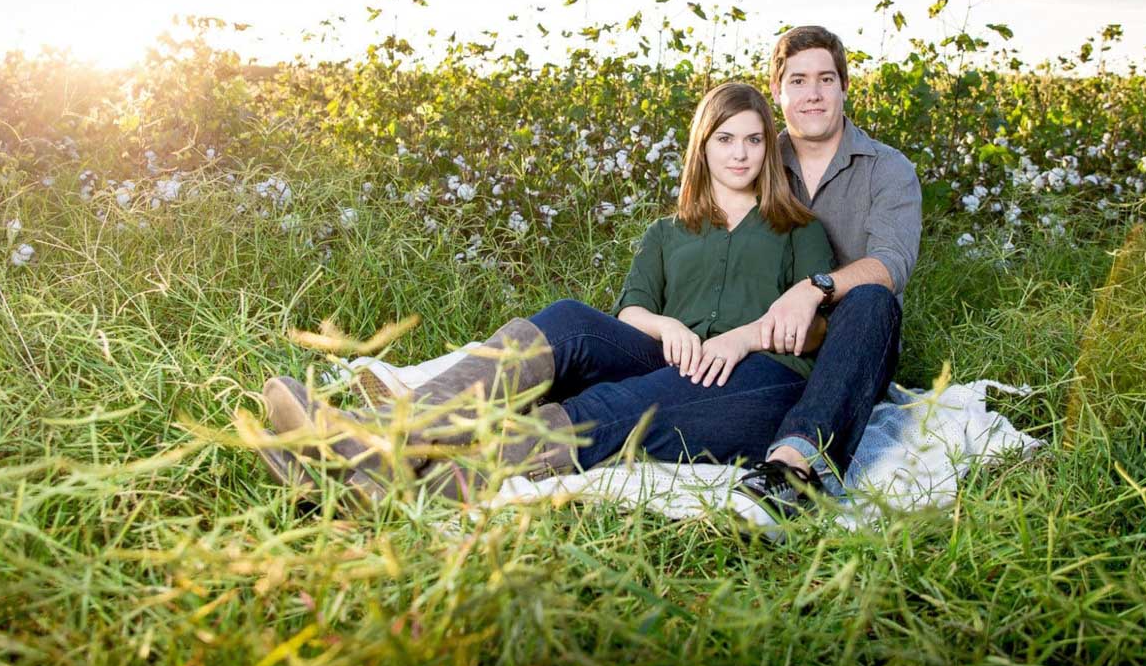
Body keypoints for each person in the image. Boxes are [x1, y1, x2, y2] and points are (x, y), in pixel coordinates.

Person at [256, 81, 836, 509]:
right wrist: (670, 328)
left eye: (755, 140)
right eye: (725, 139)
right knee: (568, 321)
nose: (740, 153)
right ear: (702, 147)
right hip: (669, 354)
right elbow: (631, 310)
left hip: (757, 378)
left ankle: (379, 478)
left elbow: (815, 329)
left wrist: (741, 337)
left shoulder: (798, 228)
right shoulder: (668, 232)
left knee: (610, 410)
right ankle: (375, 434)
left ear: (768, 148)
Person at [733, 24, 922, 515]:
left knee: (872, 299)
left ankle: (795, 472)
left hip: (855, 341)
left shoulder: (887, 168)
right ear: (777, 90)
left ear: (844, 86)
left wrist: (814, 288)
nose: (812, 94)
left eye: (825, 79)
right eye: (797, 81)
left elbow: (892, 264)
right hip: (770, 338)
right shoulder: (754, 158)